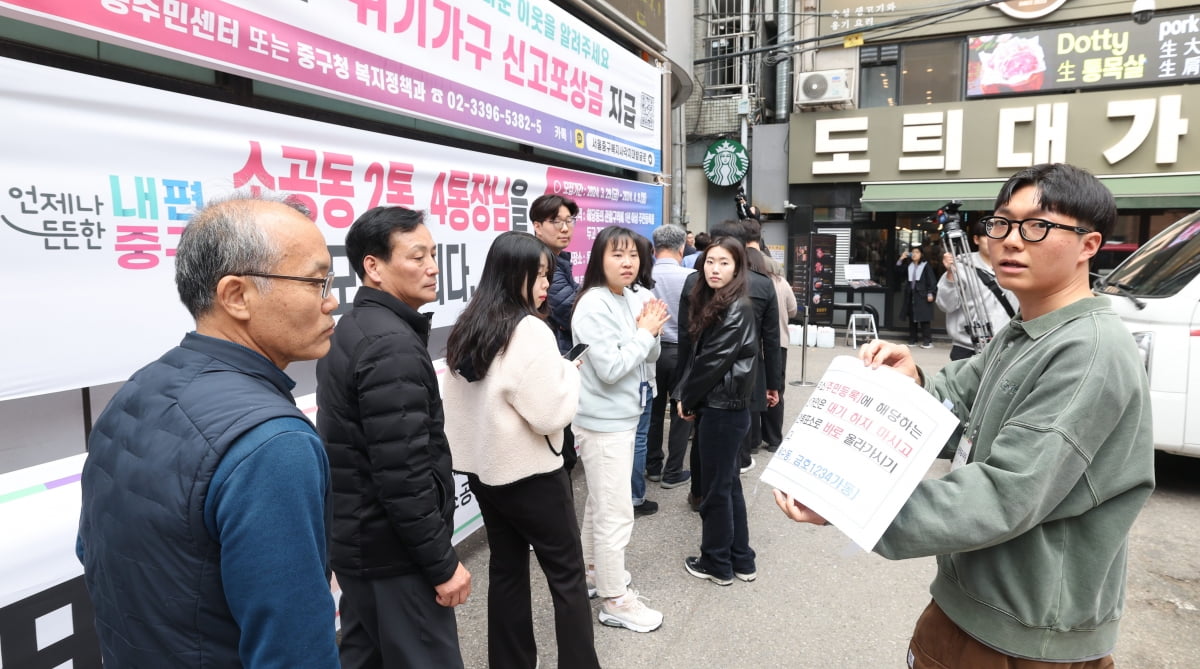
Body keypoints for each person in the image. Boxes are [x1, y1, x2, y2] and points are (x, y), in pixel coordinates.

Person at [775, 163, 1155, 668]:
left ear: (1089, 245)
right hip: (980, 604)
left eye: (1038, 226)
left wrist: (853, 504)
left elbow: (1008, 492)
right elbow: (958, 393)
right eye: (1001, 223)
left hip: (1024, 629)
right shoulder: (1027, 329)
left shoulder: (1088, 350)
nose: (1011, 241)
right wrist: (914, 381)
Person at [76, 193, 340, 668]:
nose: (332, 300)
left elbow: (93, 553)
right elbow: (293, 648)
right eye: (316, 281)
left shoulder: (138, 388)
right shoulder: (273, 443)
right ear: (236, 295)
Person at [316, 206, 470, 669]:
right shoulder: (389, 345)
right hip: (393, 558)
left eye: (434, 255)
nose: (432, 266)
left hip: (365, 547)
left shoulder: (362, 327)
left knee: (366, 655)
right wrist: (442, 565)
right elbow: (403, 476)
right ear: (373, 266)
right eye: (417, 255)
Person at [442, 231, 600, 669]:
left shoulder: (470, 322)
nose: (547, 284)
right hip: (532, 474)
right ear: (515, 274)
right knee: (566, 576)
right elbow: (549, 414)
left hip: (485, 473)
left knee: (507, 571)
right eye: (540, 275)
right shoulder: (529, 328)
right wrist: (569, 375)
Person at [571, 225, 670, 633]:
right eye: (617, 255)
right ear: (599, 259)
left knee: (600, 503)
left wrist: (651, 330)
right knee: (616, 512)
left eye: (633, 255)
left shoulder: (635, 296)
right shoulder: (592, 305)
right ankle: (615, 600)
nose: (627, 262)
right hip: (603, 423)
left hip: (625, 415)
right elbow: (611, 369)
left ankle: (594, 573)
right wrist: (644, 332)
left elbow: (652, 354)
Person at [675, 236, 760, 587]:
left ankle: (716, 563)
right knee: (728, 485)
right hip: (726, 407)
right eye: (710, 261)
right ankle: (741, 559)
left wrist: (687, 399)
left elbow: (711, 362)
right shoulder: (720, 302)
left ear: (738, 267)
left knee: (716, 489)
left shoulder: (736, 306)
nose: (715, 268)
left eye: (724, 262)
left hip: (723, 408)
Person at [531, 193, 582, 473]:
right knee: (561, 455)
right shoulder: (543, 262)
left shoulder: (558, 260)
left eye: (569, 221)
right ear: (537, 226)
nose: (565, 228)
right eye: (555, 222)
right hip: (547, 363)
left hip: (556, 357)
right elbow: (568, 309)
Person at [646, 224, 696, 489]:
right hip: (682, 352)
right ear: (681, 248)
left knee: (652, 410)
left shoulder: (642, 277)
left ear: (654, 249)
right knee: (681, 412)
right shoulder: (693, 276)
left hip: (650, 349)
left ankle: (652, 466)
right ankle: (673, 471)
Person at [936, 220, 1017, 360]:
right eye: (988, 236)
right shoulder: (960, 266)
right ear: (976, 239)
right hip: (968, 348)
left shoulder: (1016, 265)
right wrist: (950, 274)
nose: (993, 241)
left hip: (1006, 346)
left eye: (999, 236)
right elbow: (946, 305)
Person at [627, 232, 661, 517]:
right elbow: (652, 350)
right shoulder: (645, 295)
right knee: (638, 438)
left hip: (629, 380)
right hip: (640, 380)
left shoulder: (598, 296)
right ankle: (635, 496)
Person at [756, 247, 798, 452]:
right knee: (776, 388)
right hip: (779, 342)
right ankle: (773, 439)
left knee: (754, 387)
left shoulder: (750, 281)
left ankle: (753, 439)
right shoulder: (781, 283)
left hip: (755, 344)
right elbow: (793, 309)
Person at [897, 244, 937, 348]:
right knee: (912, 318)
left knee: (924, 319)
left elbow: (931, 281)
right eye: (913, 252)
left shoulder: (925, 265)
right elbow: (898, 272)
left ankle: (927, 341)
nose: (914, 254)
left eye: (917, 252)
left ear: (921, 254)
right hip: (911, 295)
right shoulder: (909, 266)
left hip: (923, 295)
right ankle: (912, 339)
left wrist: (930, 293)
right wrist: (901, 259)